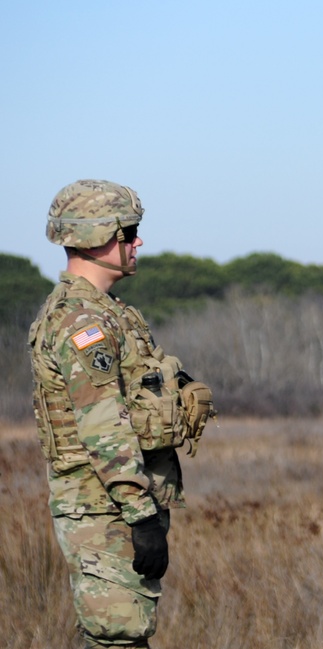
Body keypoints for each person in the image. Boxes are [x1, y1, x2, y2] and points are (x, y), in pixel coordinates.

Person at [28, 179, 215, 649]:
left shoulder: (112, 313)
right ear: (97, 238)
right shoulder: (82, 322)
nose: (137, 242)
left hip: (118, 502)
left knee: (123, 633)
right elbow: (103, 428)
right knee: (118, 635)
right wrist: (139, 515)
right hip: (103, 506)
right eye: (128, 232)